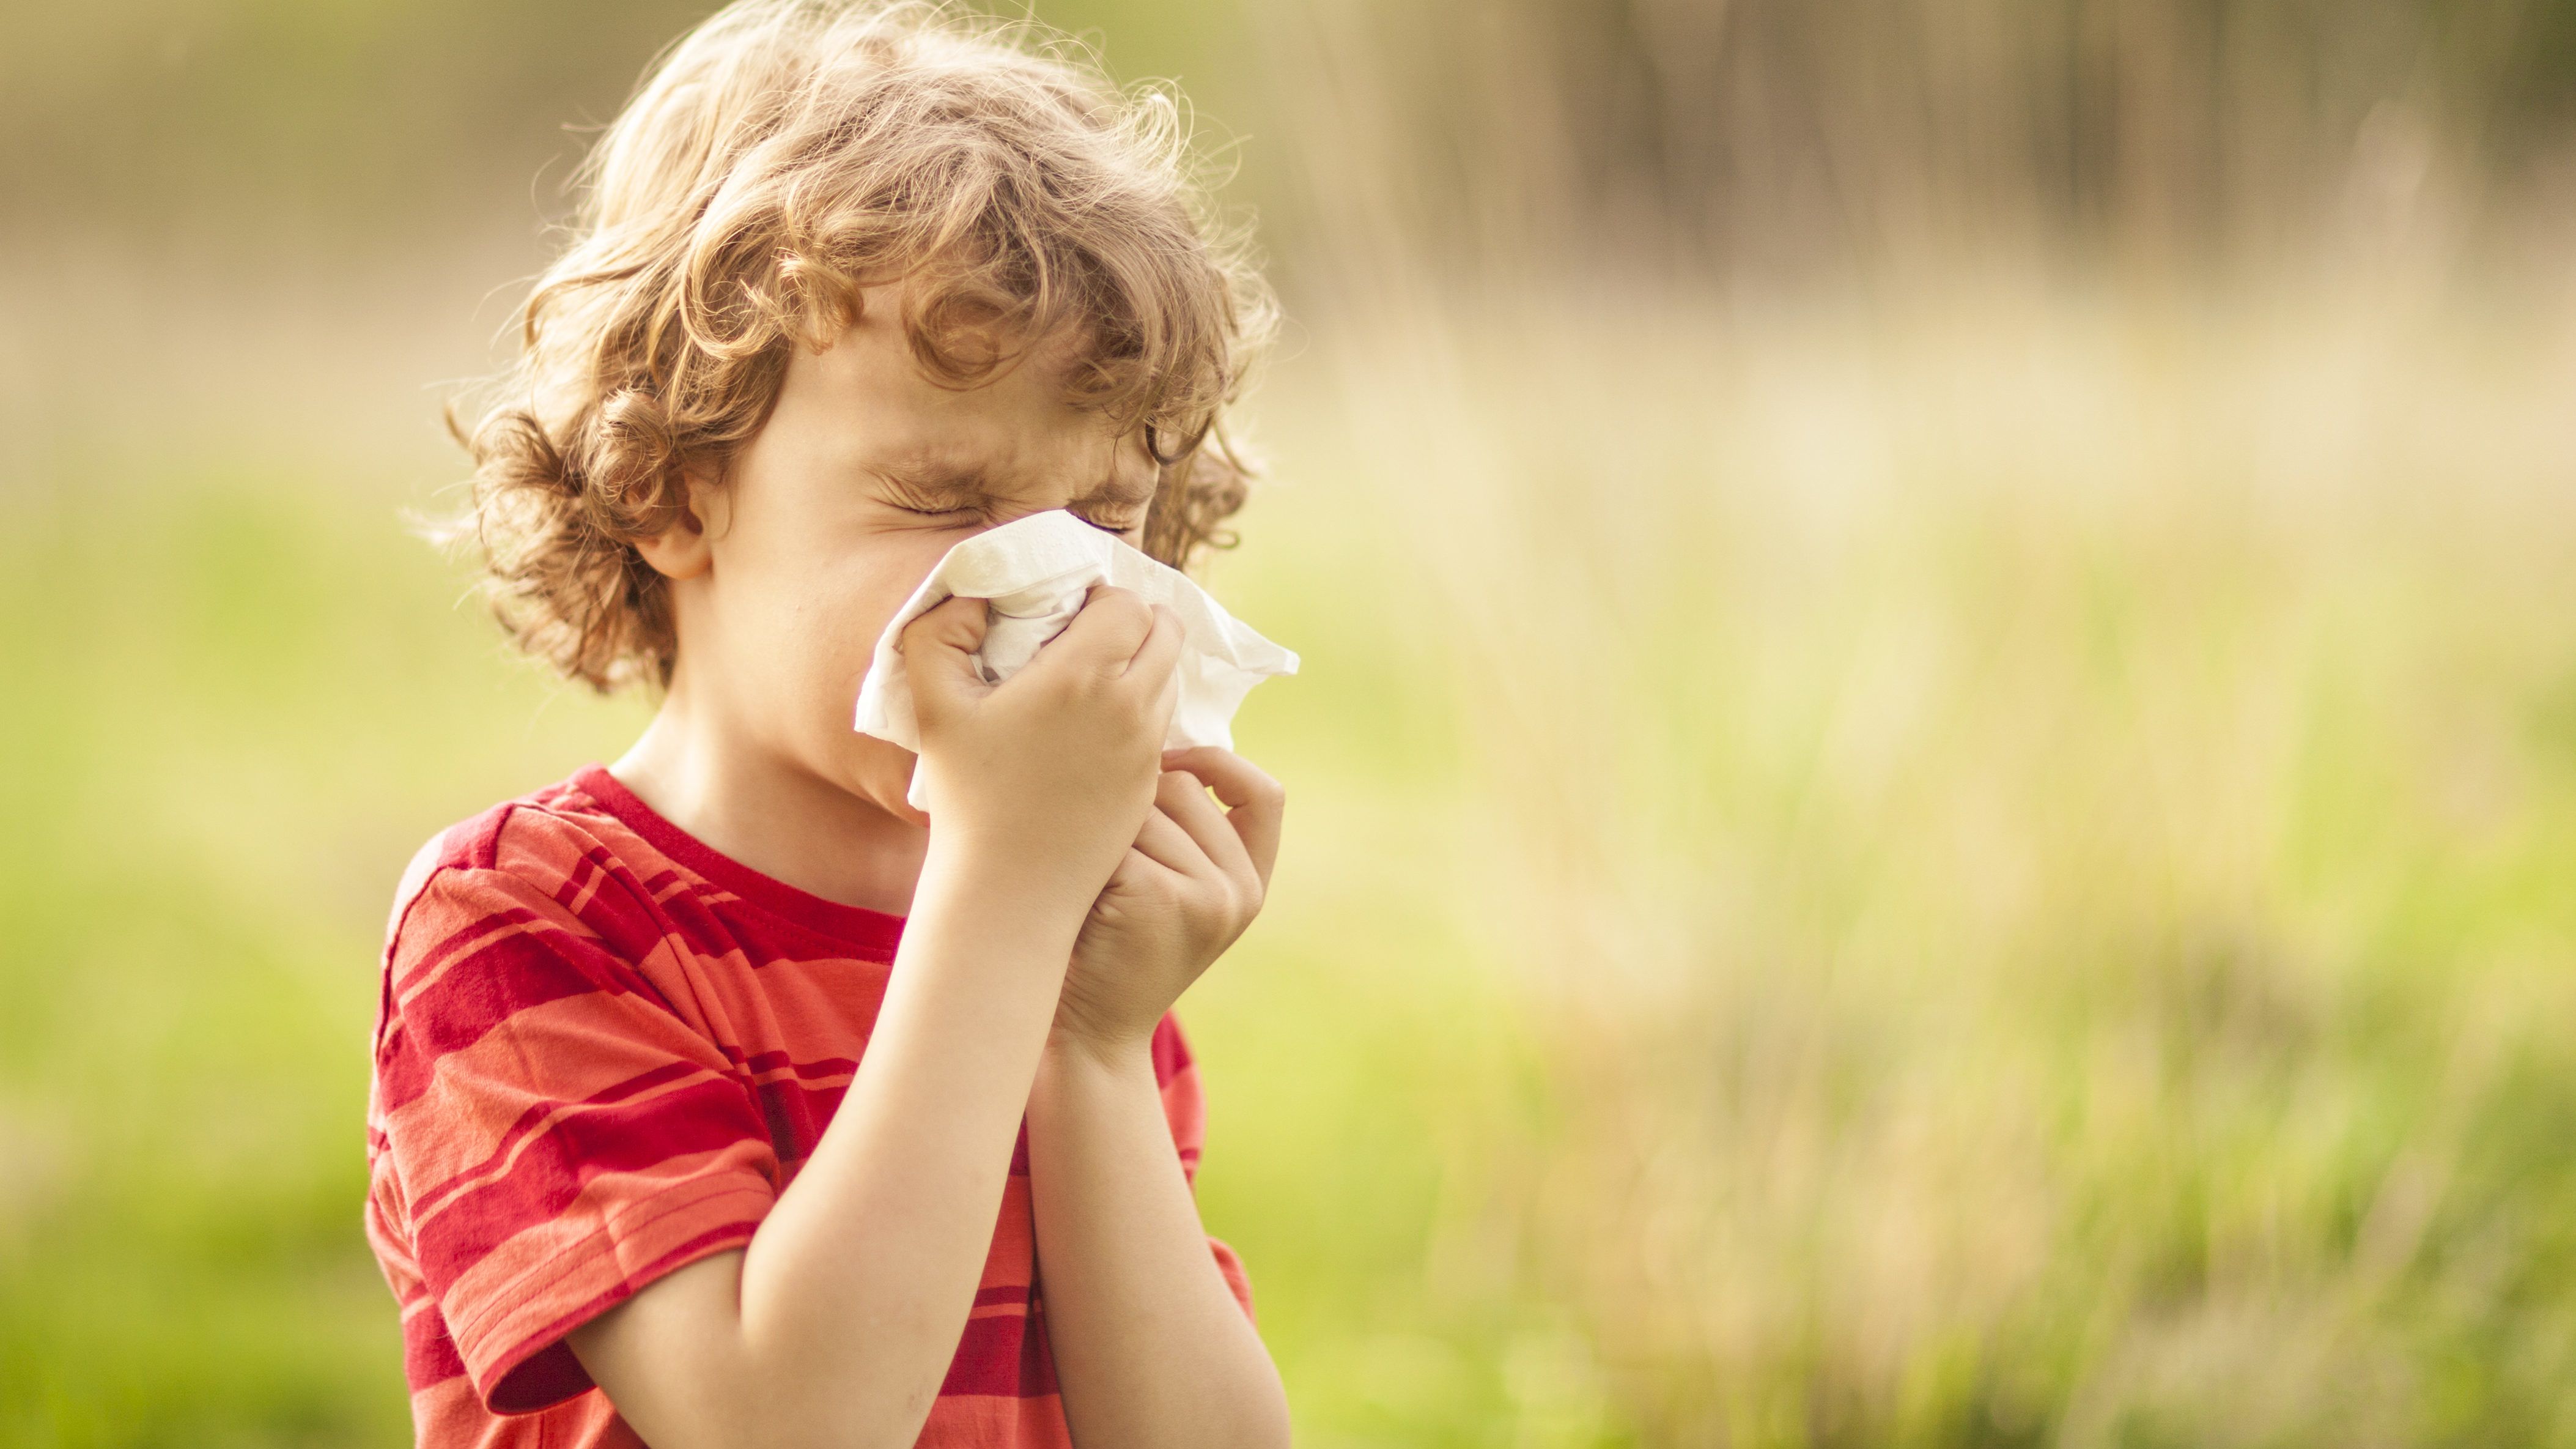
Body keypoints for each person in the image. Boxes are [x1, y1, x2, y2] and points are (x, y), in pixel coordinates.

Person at [362, 4, 1292, 1445]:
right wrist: (1007, 899)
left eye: (1108, 518)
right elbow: (778, 1424)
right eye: (943, 504)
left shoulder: (1064, 943)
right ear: (673, 489)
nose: (1045, 586)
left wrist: (1093, 1052)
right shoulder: (524, 931)